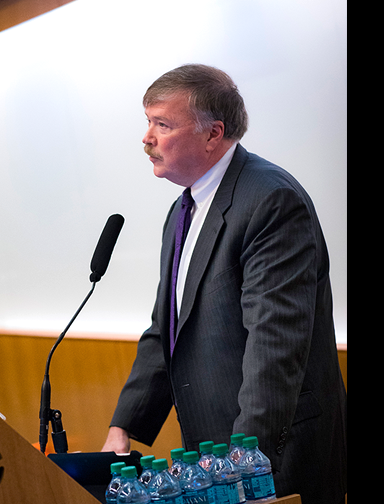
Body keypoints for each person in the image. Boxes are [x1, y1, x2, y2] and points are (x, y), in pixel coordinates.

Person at [101, 64, 347, 504]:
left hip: (272, 457)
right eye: (147, 122)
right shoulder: (182, 211)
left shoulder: (270, 199)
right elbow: (167, 330)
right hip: (214, 455)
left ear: (213, 134)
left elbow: (274, 346)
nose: (147, 138)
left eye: (162, 124)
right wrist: (124, 427)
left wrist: (244, 467)